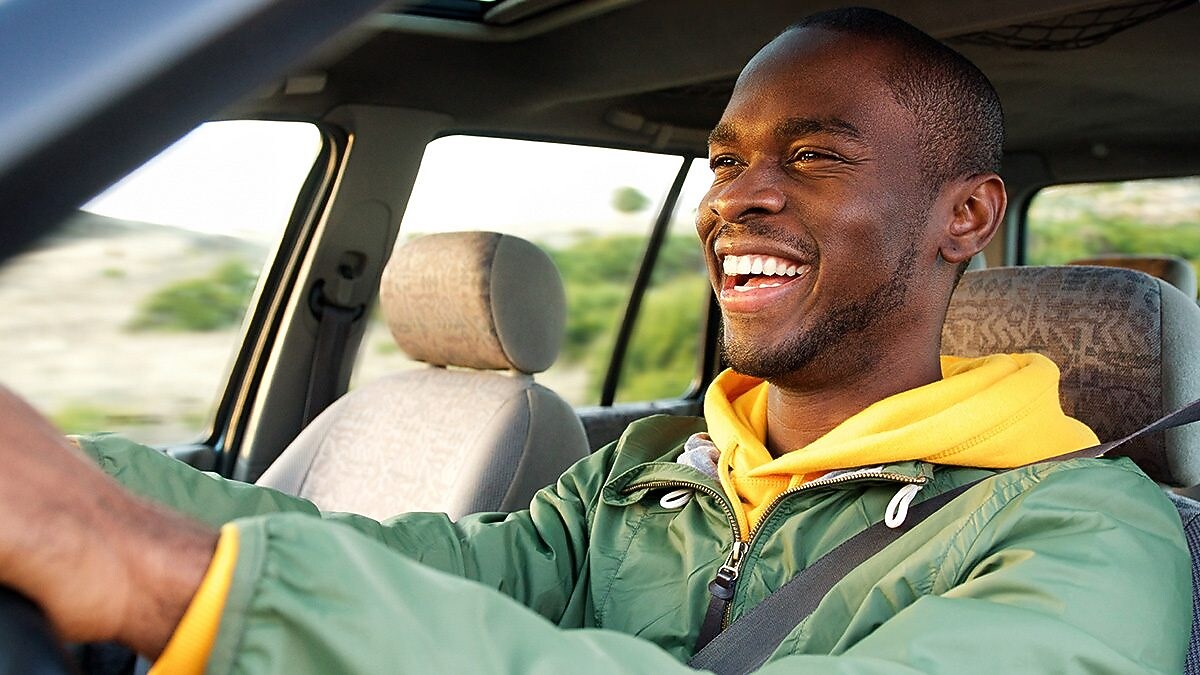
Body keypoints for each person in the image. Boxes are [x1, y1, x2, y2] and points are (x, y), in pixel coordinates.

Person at [0, 7, 1189, 673]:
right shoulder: (655, 469)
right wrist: (85, 481)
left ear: (966, 217)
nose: (739, 199)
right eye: (726, 160)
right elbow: (447, 571)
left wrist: (176, 582)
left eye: (815, 156)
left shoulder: (1084, 538)